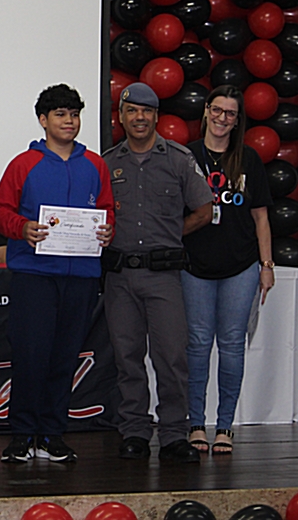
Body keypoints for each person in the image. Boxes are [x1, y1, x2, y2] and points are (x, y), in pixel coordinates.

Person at [0, 84, 114, 464]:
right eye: (60, 114)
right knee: (31, 355)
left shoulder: (96, 165)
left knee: (65, 357)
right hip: (35, 275)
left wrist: (108, 230)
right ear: (43, 120)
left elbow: (107, 211)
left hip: (81, 276)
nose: (69, 121)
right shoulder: (23, 164)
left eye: (74, 114)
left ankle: (52, 434)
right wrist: (22, 228)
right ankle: (22, 434)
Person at [101, 82, 212, 465]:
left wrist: (170, 234)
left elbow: (204, 210)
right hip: (120, 276)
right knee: (127, 357)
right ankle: (134, 431)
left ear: (156, 117)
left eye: (146, 111)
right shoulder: (107, 163)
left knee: (171, 358)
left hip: (164, 277)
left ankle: (174, 434)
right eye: (132, 110)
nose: (139, 117)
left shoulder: (179, 159)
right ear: (121, 116)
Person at [181, 85, 274, 456]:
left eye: (230, 113)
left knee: (233, 346)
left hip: (241, 266)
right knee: (198, 345)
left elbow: (261, 217)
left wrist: (266, 266)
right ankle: (195, 423)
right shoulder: (186, 156)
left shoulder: (248, 159)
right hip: (194, 266)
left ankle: (225, 426)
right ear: (206, 111)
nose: (222, 118)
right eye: (217, 110)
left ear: (238, 121)